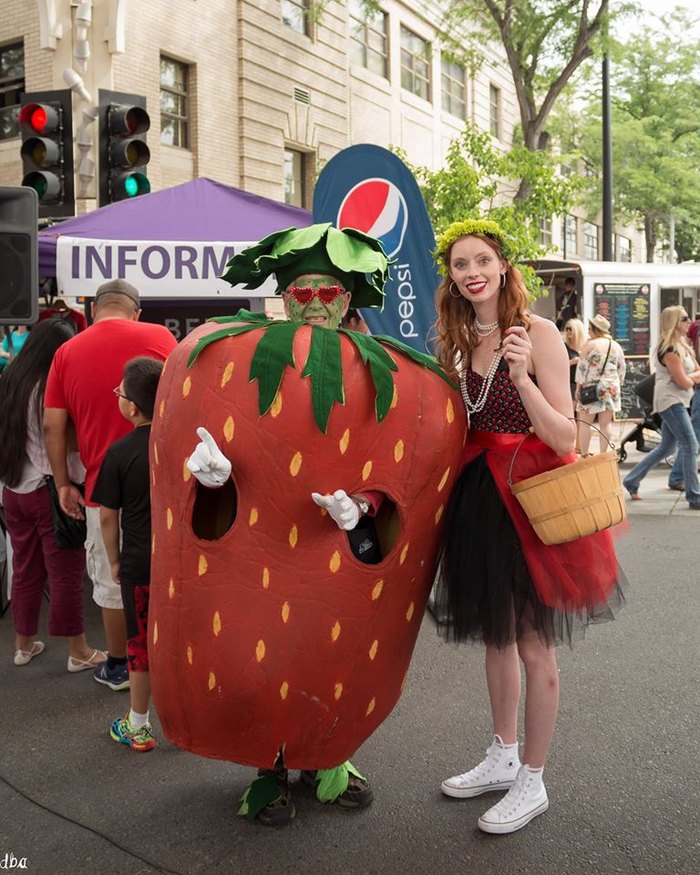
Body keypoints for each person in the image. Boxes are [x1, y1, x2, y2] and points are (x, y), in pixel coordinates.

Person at [185, 224, 396, 825]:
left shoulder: (379, 366)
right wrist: (215, 480)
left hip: (341, 540)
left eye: (328, 294)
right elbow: (229, 430)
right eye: (302, 294)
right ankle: (268, 767)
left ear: (349, 298)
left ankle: (329, 755)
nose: (315, 305)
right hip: (264, 540)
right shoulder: (249, 355)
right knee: (265, 654)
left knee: (340, 650)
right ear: (283, 297)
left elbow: (391, 455)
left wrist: (365, 506)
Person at [432, 218, 623, 835]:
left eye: (481, 259)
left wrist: (520, 378)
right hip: (478, 498)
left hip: (531, 497)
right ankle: (502, 754)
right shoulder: (457, 340)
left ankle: (533, 779)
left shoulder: (535, 333)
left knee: (535, 641)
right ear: (452, 278)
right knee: (496, 637)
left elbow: (565, 435)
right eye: (460, 265)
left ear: (504, 266)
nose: (472, 272)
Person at [43, 279, 177, 692]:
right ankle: (170, 661)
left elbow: (52, 425)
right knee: (169, 574)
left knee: (114, 579)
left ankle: (120, 665)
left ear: (92, 308)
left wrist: (63, 483)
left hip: (105, 488)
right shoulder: (160, 336)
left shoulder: (67, 351)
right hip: (165, 482)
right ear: (135, 311)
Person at [0, 318, 106, 670]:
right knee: (65, 572)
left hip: (14, 490)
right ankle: (78, 651)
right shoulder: (50, 385)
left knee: (25, 568)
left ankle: (23, 645)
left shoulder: (12, 380)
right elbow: (60, 436)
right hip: (49, 491)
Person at [92, 357, 164, 751]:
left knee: (140, 645)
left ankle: (138, 724)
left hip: (139, 562)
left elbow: (107, 517)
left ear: (132, 406)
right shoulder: (179, 443)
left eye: (120, 393)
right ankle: (187, 724)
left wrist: (114, 559)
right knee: (178, 642)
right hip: (180, 565)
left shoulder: (119, 453)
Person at [623, 306, 700, 509]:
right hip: (670, 401)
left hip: (679, 400)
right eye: (684, 318)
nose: (689, 321)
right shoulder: (669, 349)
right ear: (674, 322)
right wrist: (689, 378)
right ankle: (695, 497)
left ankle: (631, 480)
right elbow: (684, 381)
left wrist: (688, 377)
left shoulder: (683, 346)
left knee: (667, 447)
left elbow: (692, 374)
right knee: (691, 445)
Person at [575, 315, 626, 457]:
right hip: (611, 387)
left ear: (596, 330)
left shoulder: (590, 345)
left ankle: (585, 455)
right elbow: (622, 367)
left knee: (585, 423)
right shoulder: (615, 345)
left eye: (590, 329)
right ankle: (603, 454)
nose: (588, 332)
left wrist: (578, 388)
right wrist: (618, 383)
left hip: (591, 387)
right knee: (606, 423)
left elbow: (582, 369)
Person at [563, 318, 586, 400]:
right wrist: (572, 362)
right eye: (567, 329)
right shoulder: (563, 347)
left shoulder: (586, 347)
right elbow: (557, 366)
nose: (568, 331)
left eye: (571, 329)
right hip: (570, 384)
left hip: (584, 384)